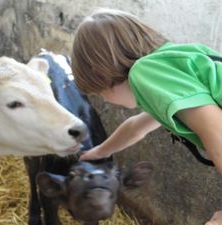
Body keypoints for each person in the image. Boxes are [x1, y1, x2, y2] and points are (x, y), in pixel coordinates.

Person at [70, 8, 222, 225]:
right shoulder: (168, 69)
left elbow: (217, 131)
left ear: (103, 73)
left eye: (99, 92)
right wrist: (100, 152)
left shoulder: (144, 72)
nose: (104, 100)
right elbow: (137, 127)